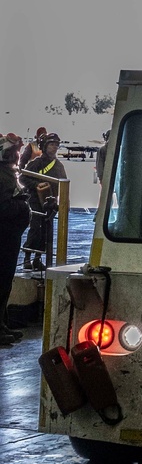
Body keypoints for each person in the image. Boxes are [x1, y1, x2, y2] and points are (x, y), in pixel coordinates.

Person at [21, 133, 67, 272]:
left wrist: (63, 202)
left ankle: (37, 259)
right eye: (52, 144)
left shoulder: (59, 166)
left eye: (56, 145)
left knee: (46, 231)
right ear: (45, 146)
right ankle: (27, 258)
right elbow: (23, 178)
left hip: (50, 202)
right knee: (35, 228)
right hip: (35, 200)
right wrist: (36, 185)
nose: (54, 148)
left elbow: (64, 184)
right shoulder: (36, 163)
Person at [0, 138, 29, 345]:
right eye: (13, 152)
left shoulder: (8, 173)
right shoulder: (2, 176)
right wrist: (21, 207)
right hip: (4, 234)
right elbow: (3, 207)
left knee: (5, 283)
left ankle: (2, 324)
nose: (16, 155)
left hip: (10, 235)